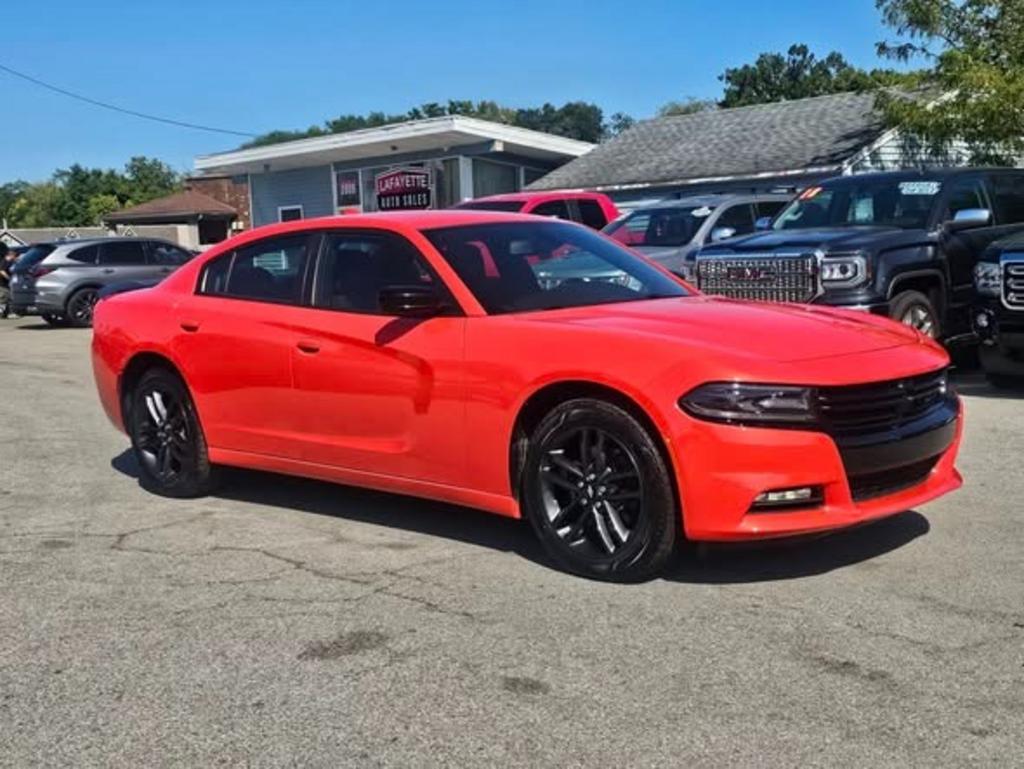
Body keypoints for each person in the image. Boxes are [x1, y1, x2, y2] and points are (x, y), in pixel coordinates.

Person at [0, 244, 17, 319]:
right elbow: (1, 271)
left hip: (7, 284)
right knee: (3, 299)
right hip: (3, 284)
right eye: (15, 256)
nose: (15, 258)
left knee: (9, 298)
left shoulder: (10, 261)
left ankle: (5, 314)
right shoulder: (5, 261)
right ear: (11, 255)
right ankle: (1, 313)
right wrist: (9, 278)